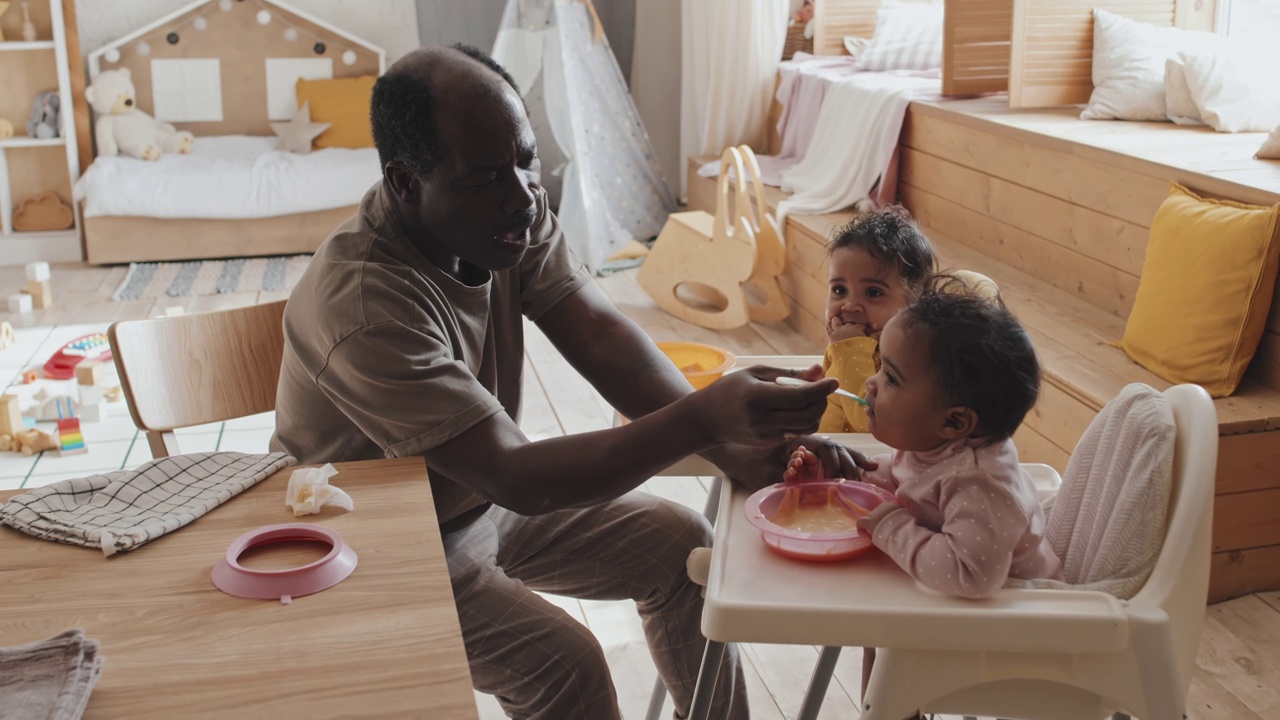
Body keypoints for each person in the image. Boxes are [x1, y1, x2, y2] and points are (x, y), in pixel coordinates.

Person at [270, 43, 868, 720]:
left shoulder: (504, 222)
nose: (523, 196)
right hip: (375, 547)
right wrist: (706, 420)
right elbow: (518, 478)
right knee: (567, 668)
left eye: (527, 159)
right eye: (487, 177)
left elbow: (601, 336)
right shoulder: (364, 306)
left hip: (475, 500)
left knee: (684, 554)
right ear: (406, 183)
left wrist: (739, 449)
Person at [785, 276, 1061, 699]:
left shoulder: (979, 483)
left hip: (1018, 630)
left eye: (891, 378)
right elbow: (901, 481)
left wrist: (893, 528)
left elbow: (973, 575)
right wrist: (836, 477)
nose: (871, 385)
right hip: (955, 612)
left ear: (953, 421)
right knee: (880, 638)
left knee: (884, 638)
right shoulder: (934, 446)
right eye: (880, 368)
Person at [817, 206, 936, 434]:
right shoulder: (855, 339)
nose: (849, 305)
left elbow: (870, 421)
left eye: (872, 293)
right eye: (839, 290)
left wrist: (850, 348)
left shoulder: (907, 360)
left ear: (914, 301)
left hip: (868, 464)